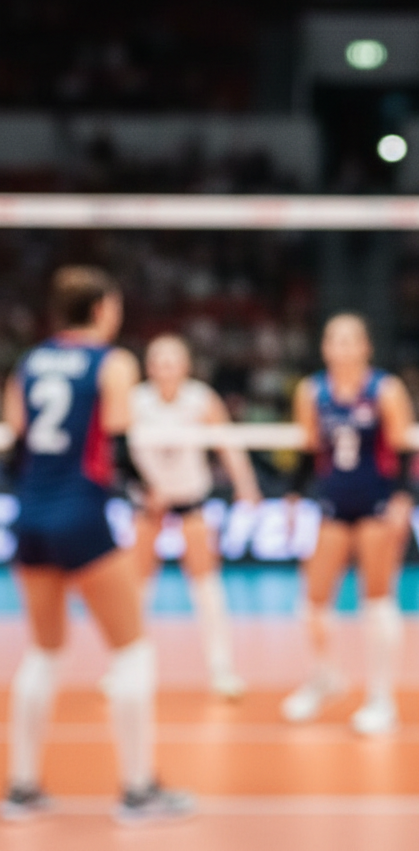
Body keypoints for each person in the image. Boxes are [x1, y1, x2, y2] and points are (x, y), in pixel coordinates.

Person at [1, 266, 192, 822]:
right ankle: (138, 792)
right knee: (131, 649)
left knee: (43, 651)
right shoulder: (111, 362)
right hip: (81, 514)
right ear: (103, 308)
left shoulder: (28, 363)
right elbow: (118, 445)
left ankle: (20, 787)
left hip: (29, 514)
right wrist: (146, 493)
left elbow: (16, 453)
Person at [281, 313, 415, 733]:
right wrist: (292, 497)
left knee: (376, 600)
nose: (340, 347)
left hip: (376, 502)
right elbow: (307, 451)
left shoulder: (385, 389)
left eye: (348, 340)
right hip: (333, 503)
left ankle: (381, 698)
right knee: (313, 602)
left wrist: (401, 501)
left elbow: (403, 451)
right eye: (332, 340)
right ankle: (326, 677)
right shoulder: (312, 391)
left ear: (364, 347)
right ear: (324, 348)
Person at [129, 334, 262, 699]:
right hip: (148, 504)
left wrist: (246, 485)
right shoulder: (134, 401)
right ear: (149, 366)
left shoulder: (200, 399)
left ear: (185, 365)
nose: (165, 367)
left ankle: (222, 670)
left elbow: (227, 444)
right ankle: (126, 670)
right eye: (158, 360)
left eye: (172, 360)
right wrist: (142, 488)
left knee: (206, 586)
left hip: (191, 499)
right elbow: (116, 452)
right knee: (136, 587)